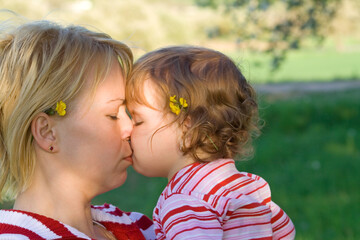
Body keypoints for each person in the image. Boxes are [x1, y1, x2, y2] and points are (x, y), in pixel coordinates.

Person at [0, 19, 155, 239]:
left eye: (127, 112)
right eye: (112, 115)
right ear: (47, 132)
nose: (130, 127)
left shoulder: (138, 227)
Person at [126, 46, 296, 239]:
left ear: (187, 129)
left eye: (138, 120)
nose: (128, 130)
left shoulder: (185, 202)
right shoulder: (248, 187)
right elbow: (286, 231)